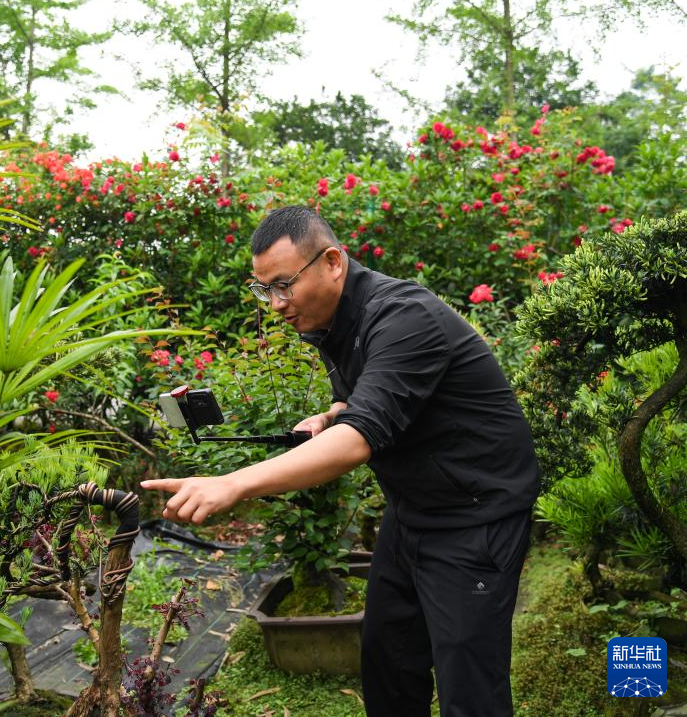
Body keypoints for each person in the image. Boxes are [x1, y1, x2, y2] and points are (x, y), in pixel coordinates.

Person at [141, 205, 541, 716]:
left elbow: (359, 440)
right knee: (388, 659)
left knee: (469, 682)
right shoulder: (330, 320)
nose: (277, 304)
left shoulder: (404, 316)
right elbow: (368, 404)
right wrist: (334, 414)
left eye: (284, 285)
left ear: (332, 261)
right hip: (413, 509)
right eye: (265, 290)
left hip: (475, 515)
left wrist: (234, 483)